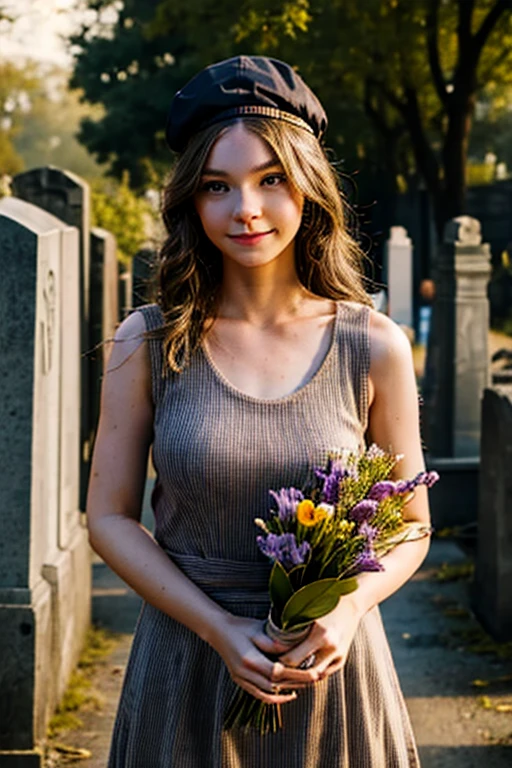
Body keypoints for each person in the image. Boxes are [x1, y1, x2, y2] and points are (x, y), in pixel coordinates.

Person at [87, 55, 431, 767]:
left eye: (270, 180)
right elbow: (110, 519)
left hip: (330, 675)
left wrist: (347, 607)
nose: (245, 208)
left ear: (308, 186)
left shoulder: (373, 344)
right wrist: (218, 629)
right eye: (218, 186)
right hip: (185, 666)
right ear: (192, 201)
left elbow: (414, 527)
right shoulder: (148, 341)